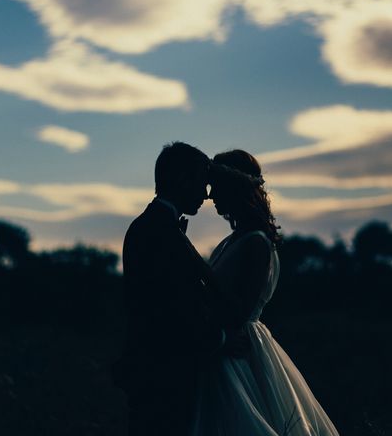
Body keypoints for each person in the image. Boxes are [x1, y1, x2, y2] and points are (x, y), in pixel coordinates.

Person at [191, 149, 340, 436]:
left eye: (216, 186)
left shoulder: (256, 243)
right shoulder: (232, 241)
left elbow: (240, 310)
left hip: (240, 353)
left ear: (234, 187)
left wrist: (195, 265)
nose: (210, 195)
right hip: (221, 349)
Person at [117, 142, 245, 436]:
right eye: (202, 183)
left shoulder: (155, 227)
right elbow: (168, 310)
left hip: (162, 373)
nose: (205, 194)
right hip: (161, 375)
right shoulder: (157, 232)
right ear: (182, 180)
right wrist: (222, 339)